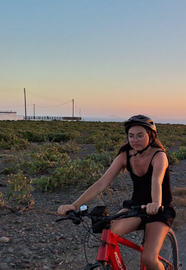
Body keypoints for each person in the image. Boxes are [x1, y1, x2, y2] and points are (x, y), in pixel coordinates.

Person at [57, 115, 175, 270]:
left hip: (159, 209)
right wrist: (74, 205)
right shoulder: (125, 156)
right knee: (109, 234)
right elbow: (101, 184)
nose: (135, 140)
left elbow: (156, 181)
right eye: (131, 136)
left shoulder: (159, 155)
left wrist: (156, 203)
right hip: (136, 208)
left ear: (151, 136)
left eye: (140, 135)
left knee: (148, 258)